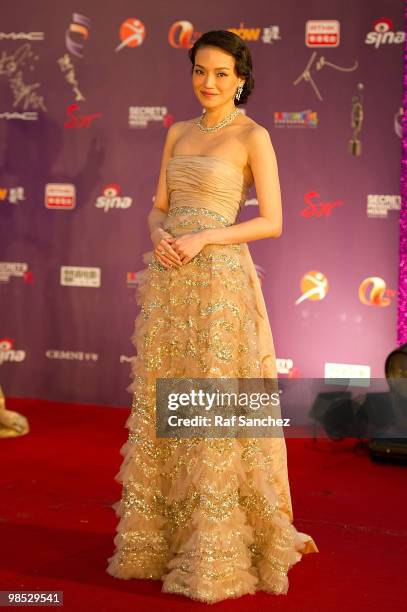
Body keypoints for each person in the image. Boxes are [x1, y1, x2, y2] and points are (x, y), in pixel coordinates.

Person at [106, 29, 318, 604]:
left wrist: (204, 239)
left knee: (214, 403)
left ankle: (217, 543)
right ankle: (161, 537)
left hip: (221, 281)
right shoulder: (177, 131)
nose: (209, 83)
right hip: (171, 282)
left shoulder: (254, 136)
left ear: (241, 78)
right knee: (168, 402)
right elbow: (157, 207)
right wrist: (162, 238)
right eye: (201, 71)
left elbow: (272, 221)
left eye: (222, 73)